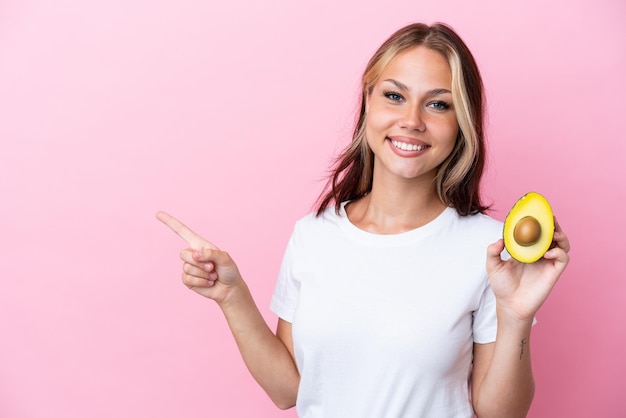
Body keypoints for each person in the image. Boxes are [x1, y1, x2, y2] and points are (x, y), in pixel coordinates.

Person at [157, 22, 570, 418]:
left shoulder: (491, 250)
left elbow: (502, 414)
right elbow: (288, 392)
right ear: (367, 102)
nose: (412, 120)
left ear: (462, 124)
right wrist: (233, 297)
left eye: (438, 104)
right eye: (394, 96)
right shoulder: (313, 235)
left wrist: (515, 317)